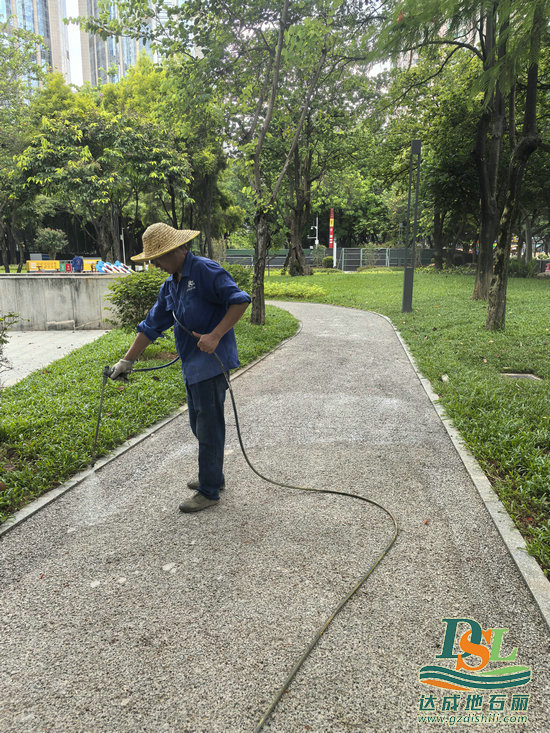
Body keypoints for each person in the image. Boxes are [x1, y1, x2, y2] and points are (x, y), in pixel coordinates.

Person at [110, 222, 251, 513]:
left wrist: (215, 335)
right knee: (198, 426)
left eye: (158, 258)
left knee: (209, 428)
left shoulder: (205, 271)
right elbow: (152, 325)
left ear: (177, 250)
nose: (155, 264)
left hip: (212, 363)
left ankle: (209, 491)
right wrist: (127, 360)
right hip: (191, 365)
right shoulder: (171, 284)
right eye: (152, 259)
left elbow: (240, 300)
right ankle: (215, 475)